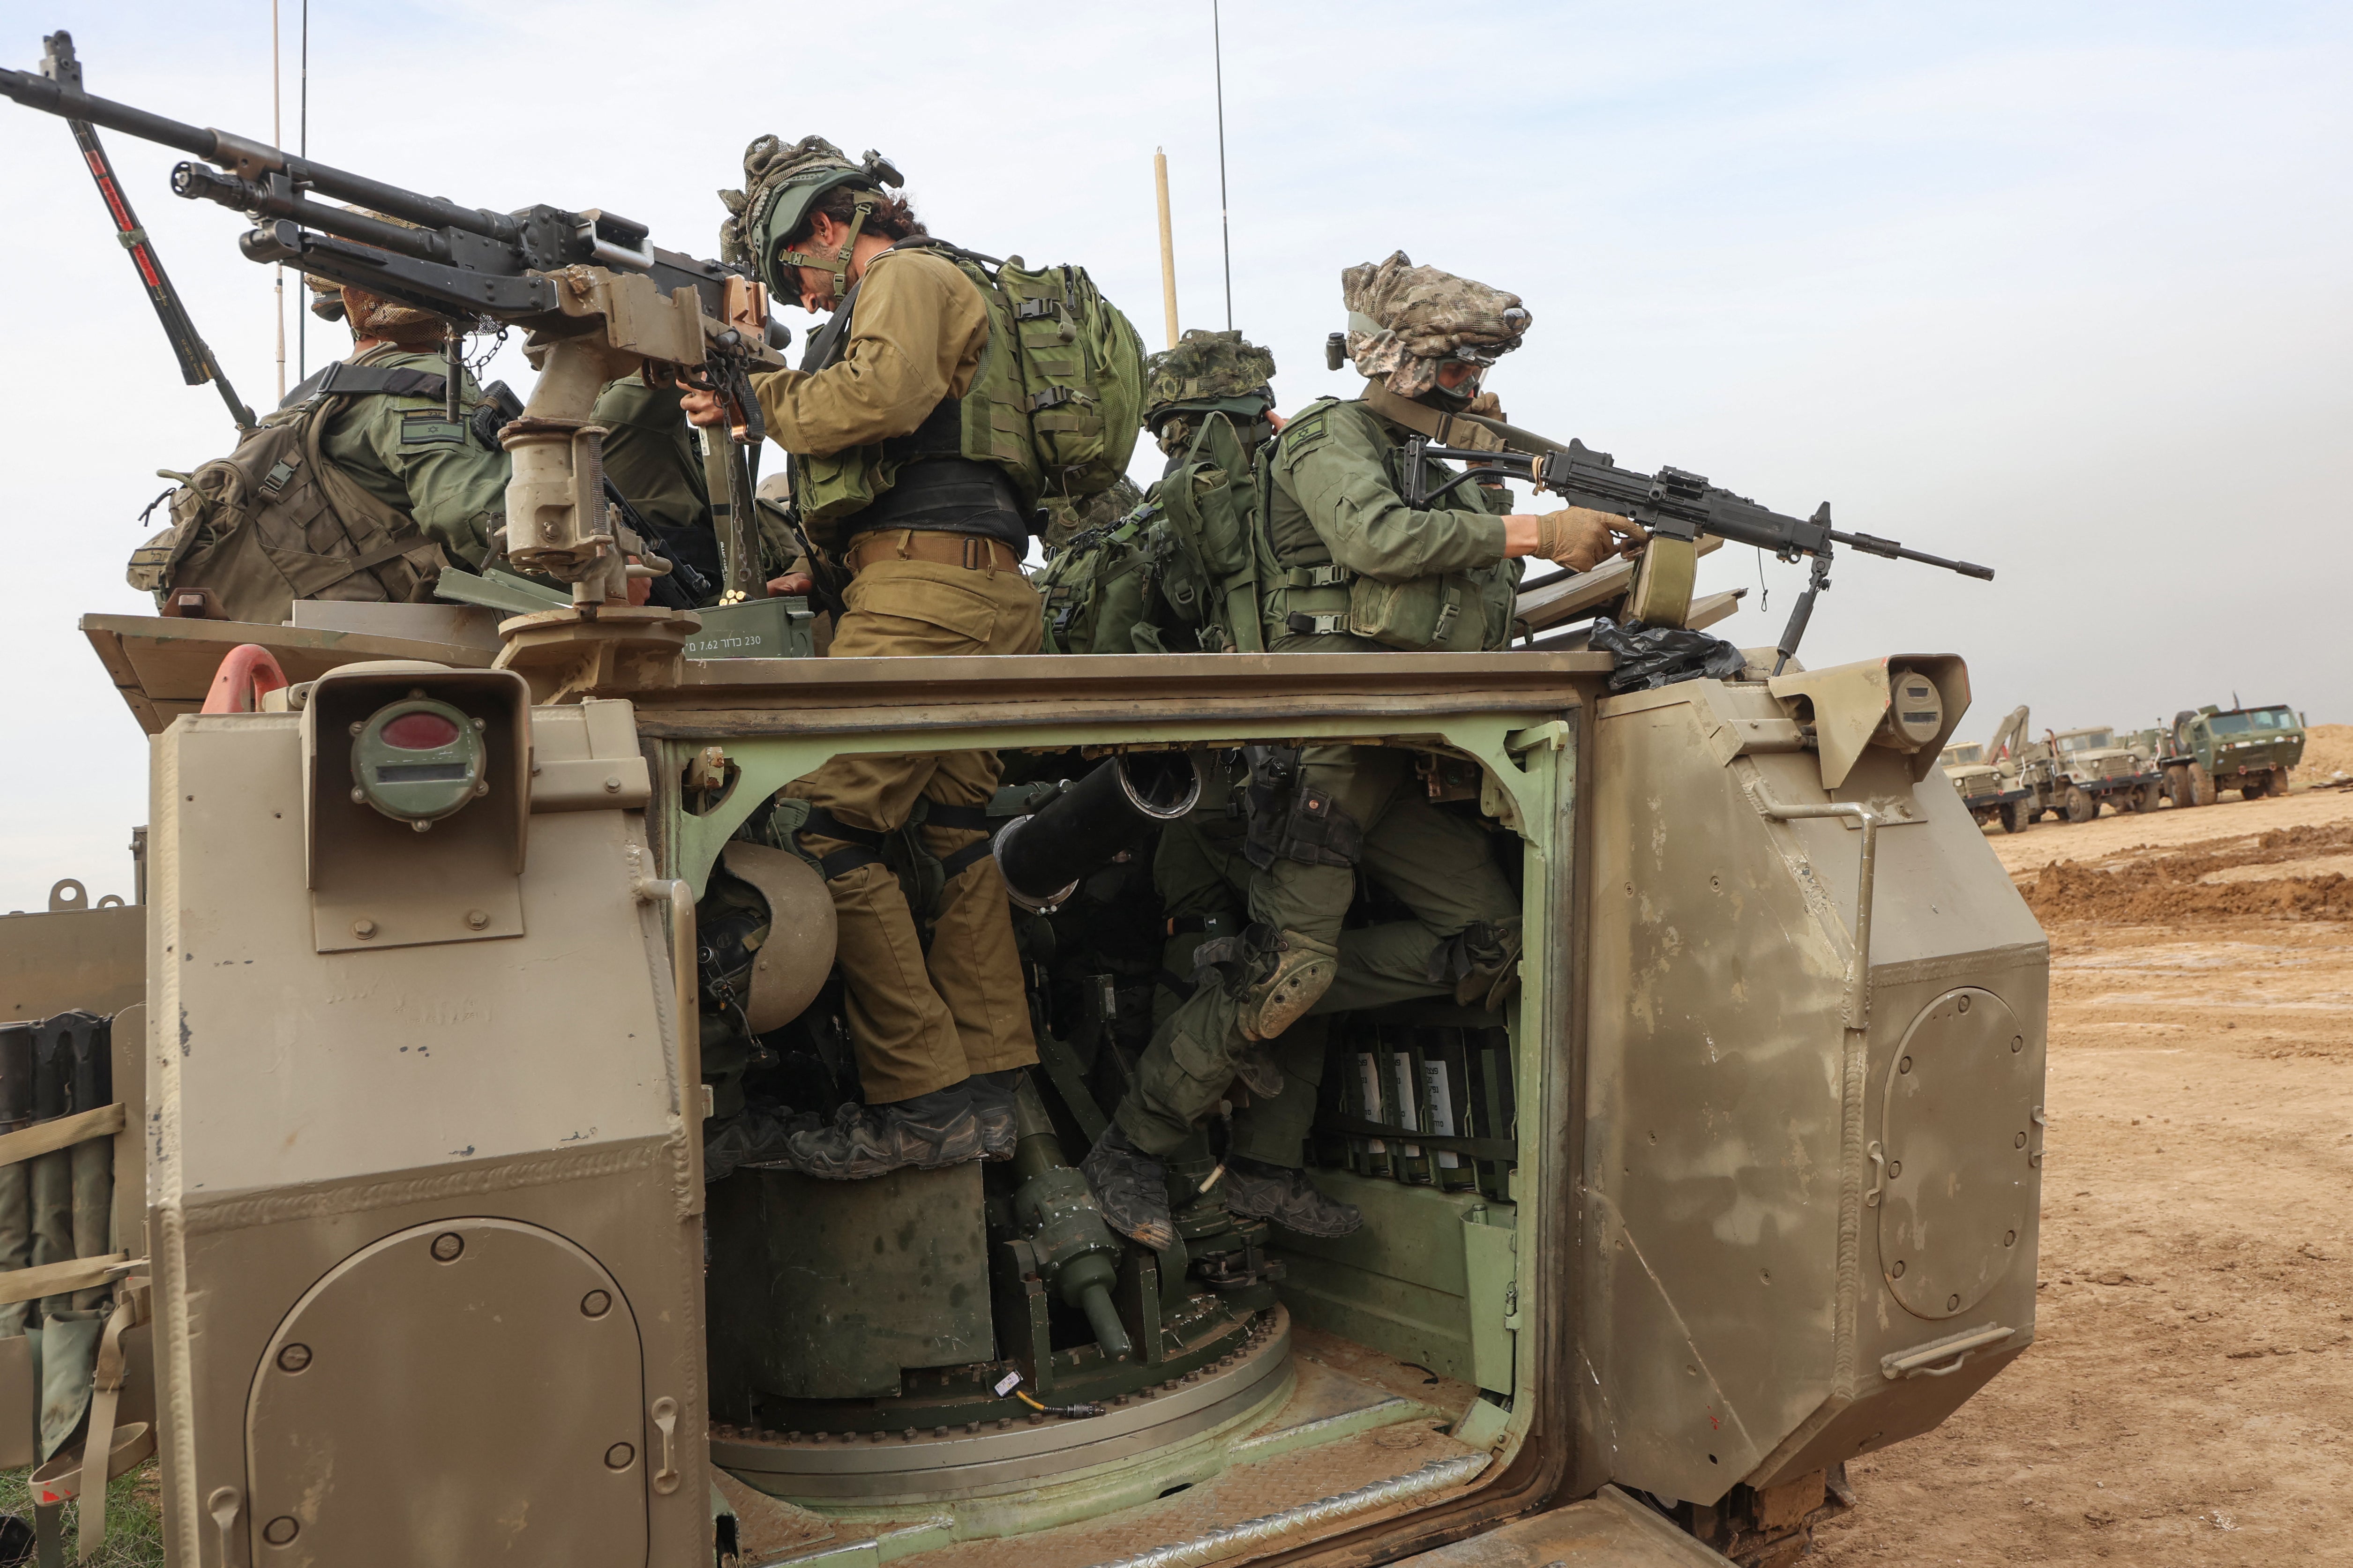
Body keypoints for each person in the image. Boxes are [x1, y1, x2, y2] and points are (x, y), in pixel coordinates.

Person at [1083, 252, 1643, 1246]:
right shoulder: (1324, 436)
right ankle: (1130, 1147)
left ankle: (1262, 990)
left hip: (1406, 745)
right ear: (1410, 366)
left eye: (1477, 372)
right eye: (1459, 369)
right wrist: (1538, 531)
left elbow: (1477, 570)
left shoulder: (1436, 457)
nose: (1472, 387)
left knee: (1490, 941)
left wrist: (1579, 521)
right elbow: (1378, 541)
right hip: (1323, 749)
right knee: (1285, 977)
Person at [681, 135, 1042, 1179]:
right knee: (952, 834)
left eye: (797, 264)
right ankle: (987, 1087)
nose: (798, 288)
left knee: (828, 829)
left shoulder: (907, 275)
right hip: (964, 589)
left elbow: (877, 398)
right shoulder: (947, 284)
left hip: (929, 595)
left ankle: (923, 1098)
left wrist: (758, 399)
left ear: (832, 228)